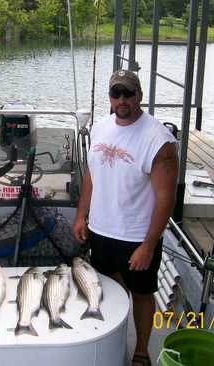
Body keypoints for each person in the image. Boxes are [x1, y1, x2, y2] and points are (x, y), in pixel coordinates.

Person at [73, 70, 178, 366]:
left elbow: (165, 199)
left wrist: (148, 245)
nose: (122, 100)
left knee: (143, 295)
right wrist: (82, 214)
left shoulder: (159, 141)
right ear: (109, 97)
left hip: (136, 237)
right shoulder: (100, 127)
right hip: (101, 231)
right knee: (109, 289)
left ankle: (142, 350)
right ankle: (110, 342)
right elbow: (92, 175)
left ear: (140, 96)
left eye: (128, 94)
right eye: (115, 94)